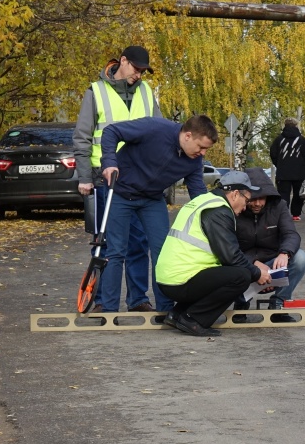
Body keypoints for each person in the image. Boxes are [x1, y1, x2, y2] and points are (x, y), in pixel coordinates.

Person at [72, 45, 160, 312]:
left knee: (138, 242)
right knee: (106, 242)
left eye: (144, 71)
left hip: (139, 181)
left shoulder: (146, 93)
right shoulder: (96, 91)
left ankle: (138, 299)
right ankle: (99, 300)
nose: (139, 75)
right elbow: (83, 137)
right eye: (136, 69)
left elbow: (159, 132)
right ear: (122, 61)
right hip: (104, 181)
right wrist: (85, 177)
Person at [98, 115, 215, 313]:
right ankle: (109, 311)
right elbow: (111, 131)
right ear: (187, 136)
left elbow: (197, 195)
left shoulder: (194, 161)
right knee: (116, 251)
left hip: (152, 199)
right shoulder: (155, 128)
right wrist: (109, 161)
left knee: (163, 252)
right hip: (120, 192)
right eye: (200, 147)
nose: (202, 153)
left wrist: (213, 219)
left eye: (206, 150)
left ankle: (165, 310)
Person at [155, 172, 272, 336]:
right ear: (235, 194)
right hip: (181, 279)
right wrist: (256, 273)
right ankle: (193, 319)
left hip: (170, 276)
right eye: (246, 201)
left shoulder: (203, 201)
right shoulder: (218, 210)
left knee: (227, 273)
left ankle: (177, 314)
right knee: (241, 276)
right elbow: (231, 256)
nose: (246, 207)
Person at [234, 168, 305, 314]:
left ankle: (279, 302)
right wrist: (255, 265)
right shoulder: (235, 210)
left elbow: (291, 234)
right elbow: (229, 247)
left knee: (300, 258)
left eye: (261, 198)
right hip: (244, 264)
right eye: (253, 199)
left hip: (272, 262)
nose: (257, 203)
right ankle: (241, 303)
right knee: (228, 263)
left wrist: (284, 254)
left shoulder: (279, 206)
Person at [268, 118, 305, 221]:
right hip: (299, 172)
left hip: (283, 173)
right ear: (296, 126)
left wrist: (278, 163)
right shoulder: (301, 140)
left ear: (285, 125)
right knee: (298, 194)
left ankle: (283, 214)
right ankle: (296, 214)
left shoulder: (279, 139)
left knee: (283, 194)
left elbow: (273, 153)